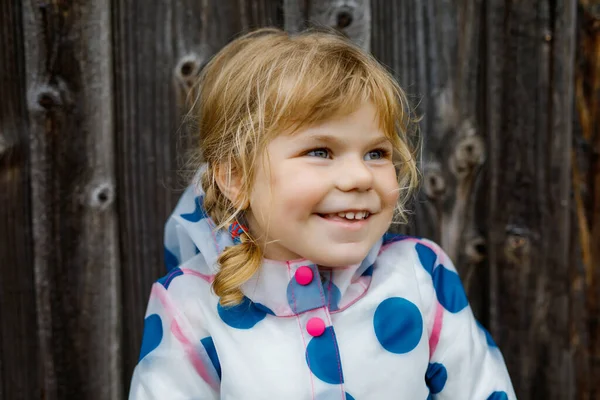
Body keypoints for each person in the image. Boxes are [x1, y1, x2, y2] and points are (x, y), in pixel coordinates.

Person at [128, 27, 516, 400]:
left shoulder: (420, 275)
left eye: (377, 153)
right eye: (320, 152)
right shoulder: (191, 304)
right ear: (236, 178)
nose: (361, 176)